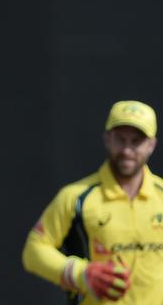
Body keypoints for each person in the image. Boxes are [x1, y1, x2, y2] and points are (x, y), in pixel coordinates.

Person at [22, 100, 163, 304]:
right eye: (120, 139)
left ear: (152, 145)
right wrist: (81, 273)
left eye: (136, 141)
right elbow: (33, 251)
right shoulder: (76, 197)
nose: (127, 150)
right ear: (107, 138)